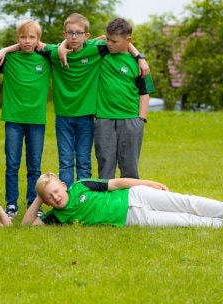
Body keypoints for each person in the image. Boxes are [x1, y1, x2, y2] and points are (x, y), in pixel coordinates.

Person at [31, 13, 148, 188]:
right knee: (70, 162)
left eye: (78, 33)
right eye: (70, 33)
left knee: (88, 162)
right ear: (64, 34)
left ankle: (91, 197)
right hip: (70, 116)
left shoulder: (99, 50)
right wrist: (61, 47)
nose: (74, 37)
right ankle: (71, 198)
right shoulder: (57, 52)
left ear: (86, 35)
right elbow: (31, 43)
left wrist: (140, 57)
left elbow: (119, 41)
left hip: (91, 116)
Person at [0, 19, 51, 218]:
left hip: (36, 121)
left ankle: (33, 203)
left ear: (38, 39)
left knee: (34, 166)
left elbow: (65, 48)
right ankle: (11, 204)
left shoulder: (46, 59)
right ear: (17, 39)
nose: (27, 41)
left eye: (32, 37)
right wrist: (5, 49)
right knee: (12, 164)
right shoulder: (9, 58)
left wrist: (42, 46)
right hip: (14, 120)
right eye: (23, 37)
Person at [22, 172, 223, 228]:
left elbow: (116, 183)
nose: (55, 197)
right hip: (132, 218)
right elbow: (26, 226)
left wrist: (148, 183)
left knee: (186, 202)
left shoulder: (81, 185)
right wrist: (39, 198)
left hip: (136, 195)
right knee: (184, 221)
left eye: (56, 191)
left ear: (63, 185)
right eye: (49, 197)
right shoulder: (57, 217)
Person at [94, 18, 155, 179]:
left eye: (114, 41)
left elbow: (144, 93)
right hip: (104, 118)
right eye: (108, 39)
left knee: (130, 167)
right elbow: (82, 44)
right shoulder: (101, 53)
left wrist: (141, 120)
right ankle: (105, 196)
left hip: (131, 119)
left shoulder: (139, 65)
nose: (109, 44)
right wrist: (140, 54)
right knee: (105, 165)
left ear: (128, 40)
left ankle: (131, 196)